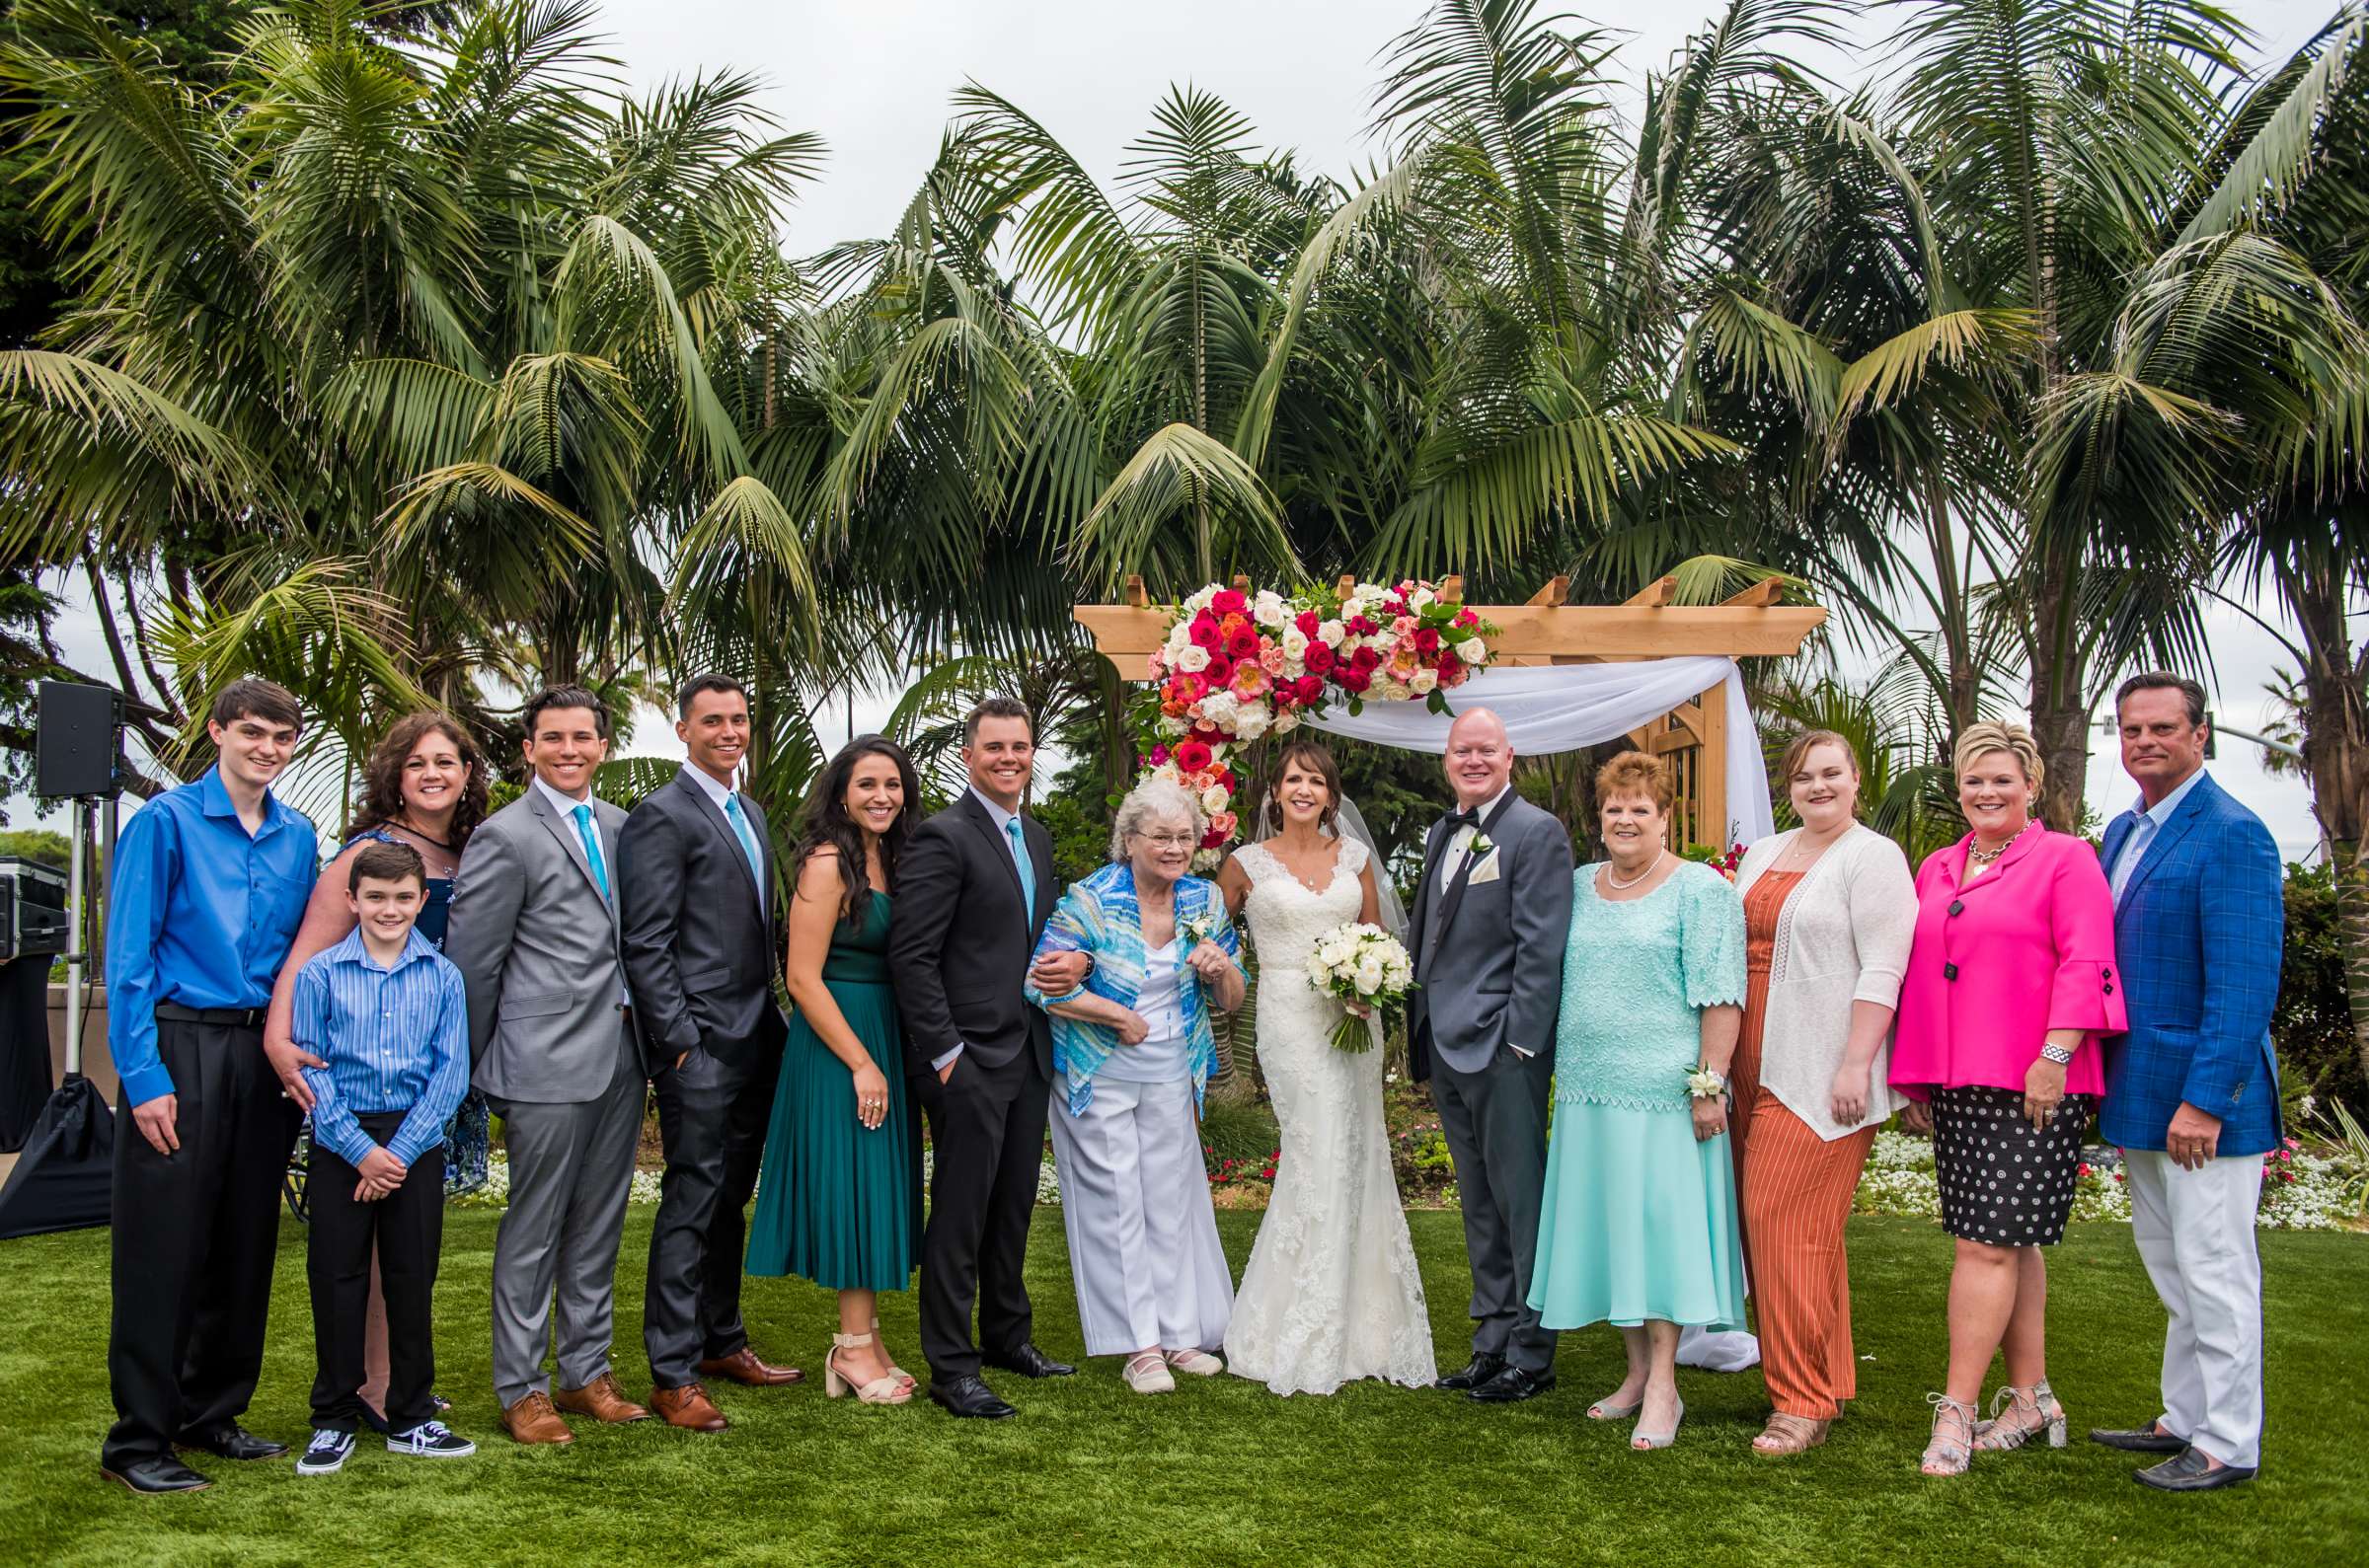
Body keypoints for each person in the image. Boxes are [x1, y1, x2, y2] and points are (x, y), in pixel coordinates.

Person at [1889, 720, 2125, 1477]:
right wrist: (1915, 1074)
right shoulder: (1936, 866)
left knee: (1982, 1245)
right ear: (1957, 790)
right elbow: (1921, 974)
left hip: (2032, 1082)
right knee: (2006, 1239)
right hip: (1957, 1082)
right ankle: (2030, 1397)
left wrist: (2055, 1056)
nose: (1987, 793)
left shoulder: (2065, 858)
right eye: (1973, 781)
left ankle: (1956, 1411)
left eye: (2002, 780)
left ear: (2031, 787)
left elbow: (2087, 959)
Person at [99, 679, 317, 1495]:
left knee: (243, 1238)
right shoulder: (164, 823)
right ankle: (138, 1441)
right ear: (219, 731)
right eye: (253, 732)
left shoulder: (300, 837)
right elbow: (128, 960)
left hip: (262, 1053)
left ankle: (211, 1413)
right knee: (164, 1247)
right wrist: (144, 1076)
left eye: (282, 737)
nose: (267, 748)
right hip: (181, 1045)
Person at [264, 710, 492, 1432]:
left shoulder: (466, 852)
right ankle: (372, 1380)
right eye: (418, 761)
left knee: (407, 1246)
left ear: (466, 774)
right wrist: (279, 1036)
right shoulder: (368, 855)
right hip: (357, 1078)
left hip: (431, 1068)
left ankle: (396, 1383)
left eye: (447, 761)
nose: (433, 773)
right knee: (356, 1244)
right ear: (396, 774)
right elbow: (309, 953)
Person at [2090, 673, 2284, 1491]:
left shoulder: (2234, 833)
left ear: (2202, 733)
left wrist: (2205, 1101)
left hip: (2204, 1103)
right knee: (2172, 1265)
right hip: (2141, 1090)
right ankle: (2183, 1415)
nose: (2145, 742)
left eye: (2164, 727)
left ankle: (2229, 1441)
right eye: (2132, 729)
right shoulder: (2122, 830)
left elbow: (2244, 984)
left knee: (2216, 1269)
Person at [446, 685, 651, 1445]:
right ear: (528, 749)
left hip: (621, 1058)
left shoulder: (623, 828)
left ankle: (584, 1372)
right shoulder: (504, 836)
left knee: (598, 1224)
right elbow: (473, 966)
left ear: (603, 746)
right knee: (533, 1228)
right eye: (553, 738)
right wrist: (471, 1072)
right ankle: (521, 1385)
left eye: (584, 737)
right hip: (540, 1063)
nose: (570, 749)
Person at [1528, 750, 1747, 1451]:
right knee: (1614, 1231)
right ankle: (1633, 1372)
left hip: (1664, 1096)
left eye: (1639, 808)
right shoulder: (1579, 884)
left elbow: (1720, 995)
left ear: (1665, 815)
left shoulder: (1701, 891)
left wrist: (1709, 1086)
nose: (1625, 819)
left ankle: (1665, 1386)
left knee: (1657, 1235)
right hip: (1590, 1092)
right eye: (1614, 808)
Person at [887, 698, 1088, 1418]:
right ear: (969, 755)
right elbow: (911, 957)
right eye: (995, 746)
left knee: (1012, 1207)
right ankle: (952, 1366)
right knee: (962, 1214)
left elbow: (1036, 937)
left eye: (1021, 746)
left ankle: (1008, 1336)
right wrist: (945, 1056)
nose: (1010, 757)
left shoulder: (1033, 835)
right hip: (966, 1058)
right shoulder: (943, 837)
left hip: (1029, 1047)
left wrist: (1076, 961)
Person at [1218, 739, 1435, 1395]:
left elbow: (1377, 936)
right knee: (1313, 1151)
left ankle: (1362, 1326)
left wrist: (1366, 984)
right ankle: (1290, 1321)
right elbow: (1212, 935)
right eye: (1293, 779)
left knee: (1358, 1153)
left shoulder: (1356, 859)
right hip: (1287, 1017)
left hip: (1353, 1022)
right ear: (1276, 793)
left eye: (1315, 780)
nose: (1304, 789)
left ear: (1331, 795)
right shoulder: (1244, 863)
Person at [619, 675, 802, 1433]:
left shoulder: (749, 810)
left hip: (757, 1034)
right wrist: (682, 1046)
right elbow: (647, 942)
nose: (730, 730)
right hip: (699, 1047)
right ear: (683, 729)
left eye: (738, 718)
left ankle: (721, 1339)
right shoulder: (661, 816)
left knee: (731, 1199)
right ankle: (671, 1371)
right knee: (692, 1202)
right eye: (713, 720)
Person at [1728, 732, 1916, 1455]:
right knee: (1790, 1234)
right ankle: (1825, 1378)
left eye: (1830, 773)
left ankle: (1798, 1401)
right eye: (1804, 776)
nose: (1817, 786)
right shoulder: (1765, 851)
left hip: (1820, 1067)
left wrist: (1855, 1064)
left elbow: (1884, 967)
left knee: (1782, 1222)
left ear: (1857, 778)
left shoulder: (1873, 856)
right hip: (1750, 1059)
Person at [1027, 778, 1246, 1394]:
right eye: (1162, 837)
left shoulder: (1202, 900)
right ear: (1130, 840)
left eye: (1185, 838)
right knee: (1117, 1202)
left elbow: (1234, 997)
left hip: (1174, 1071)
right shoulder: (1090, 900)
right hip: (1100, 1074)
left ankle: (1178, 1335)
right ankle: (1139, 1347)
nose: (1175, 849)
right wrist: (1116, 1015)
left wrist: (1224, 966)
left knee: (1170, 1203)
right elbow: (1038, 984)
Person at [745, 736, 931, 1406]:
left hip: (881, 1030)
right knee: (855, 1184)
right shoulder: (826, 862)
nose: (882, 795)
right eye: (867, 784)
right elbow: (800, 977)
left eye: (893, 783)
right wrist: (861, 1062)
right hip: (840, 1042)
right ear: (842, 794)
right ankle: (851, 1350)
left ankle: (867, 1337)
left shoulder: (892, 856)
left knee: (876, 1185)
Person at [289, 842, 475, 1476]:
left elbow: (451, 1076)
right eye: (375, 897)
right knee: (337, 1278)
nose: (388, 909)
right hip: (343, 1140)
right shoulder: (320, 975)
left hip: (413, 1142)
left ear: (422, 902)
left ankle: (412, 1415)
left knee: (410, 1276)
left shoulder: (444, 978)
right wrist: (362, 1153)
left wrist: (395, 1155)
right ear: (353, 900)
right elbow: (312, 1072)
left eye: (402, 898)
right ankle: (334, 1417)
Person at [1406, 708, 1573, 1404]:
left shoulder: (1535, 832)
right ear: (1447, 758)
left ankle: (1532, 1352)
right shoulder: (1445, 829)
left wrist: (1520, 1039)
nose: (1472, 759)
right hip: (1446, 1044)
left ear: (1510, 756)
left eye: (1485, 749)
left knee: (1520, 1202)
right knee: (1478, 1202)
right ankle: (1491, 1339)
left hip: (1504, 1049)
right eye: (1460, 750)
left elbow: (1541, 947)